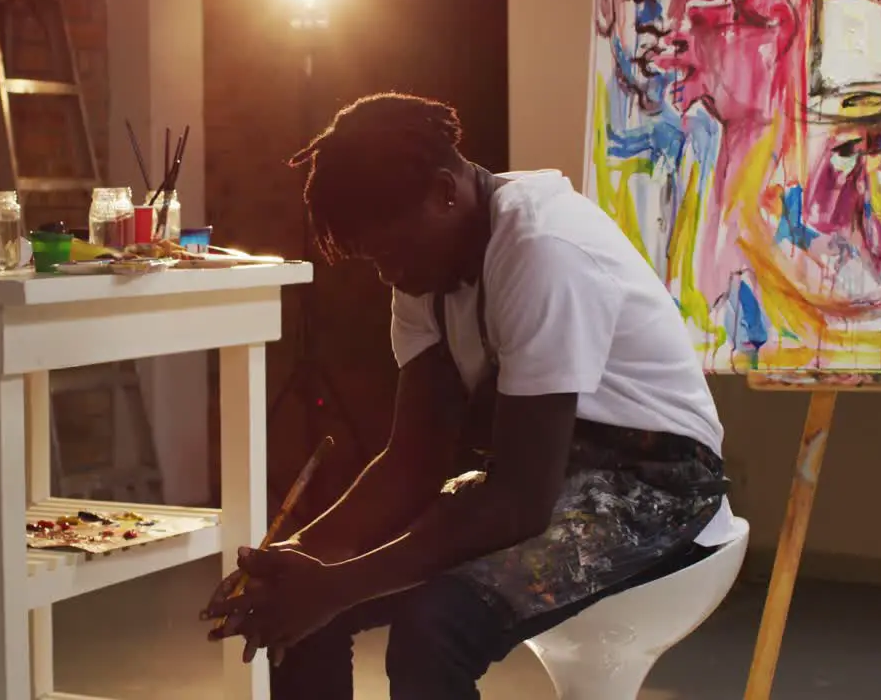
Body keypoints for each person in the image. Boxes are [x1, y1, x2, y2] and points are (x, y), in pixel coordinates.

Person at [201, 93, 742, 700]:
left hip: (655, 487)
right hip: (541, 474)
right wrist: (302, 558)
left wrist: (336, 585)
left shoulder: (544, 251)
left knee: (434, 627)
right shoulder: (426, 270)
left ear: (444, 192)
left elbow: (517, 505)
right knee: (296, 613)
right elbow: (413, 459)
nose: (387, 274)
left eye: (389, 251)